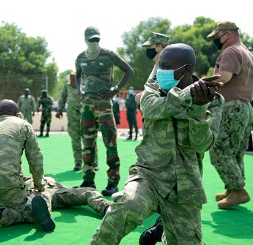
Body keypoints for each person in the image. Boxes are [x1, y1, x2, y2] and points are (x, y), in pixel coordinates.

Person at [68, 43, 224, 245]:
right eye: (160, 64)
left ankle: (166, 228)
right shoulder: (154, 89)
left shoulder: (212, 100)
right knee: (127, 203)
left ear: (187, 69)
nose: (159, 70)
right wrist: (186, 96)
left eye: (165, 66)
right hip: (149, 174)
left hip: (184, 184)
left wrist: (198, 109)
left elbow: (202, 144)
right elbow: (152, 109)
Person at [0, 100, 111, 237]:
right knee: (28, 212)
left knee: (24, 199)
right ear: (18, 115)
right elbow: (36, 160)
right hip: (24, 186)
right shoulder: (23, 124)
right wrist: (106, 207)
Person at [75, 26, 133, 196]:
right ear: (85, 39)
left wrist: (115, 89)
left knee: (110, 143)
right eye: (91, 39)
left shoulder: (108, 55)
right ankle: (88, 180)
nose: (94, 42)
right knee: (87, 142)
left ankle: (113, 182)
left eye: (97, 39)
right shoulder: (79, 58)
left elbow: (129, 70)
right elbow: (78, 75)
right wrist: (79, 90)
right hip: (87, 106)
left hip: (104, 105)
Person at [206, 21, 253, 209]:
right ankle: (232, 189)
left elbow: (224, 78)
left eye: (216, 37)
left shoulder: (229, 52)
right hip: (244, 107)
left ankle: (238, 190)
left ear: (226, 34)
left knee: (218, 148)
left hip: (231, 108)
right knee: (235, 152)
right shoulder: (247, 53)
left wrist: (201, 83)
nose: (216, 41)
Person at [56, 73, 84, 171]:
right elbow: (62, 97)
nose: (71, 81)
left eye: (73, 79)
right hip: (72, 115)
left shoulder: (85, 85)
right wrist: (59, 109)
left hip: (85, 114)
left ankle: (93, 162)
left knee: (89, 138)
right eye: (70, 79)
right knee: (75, 139)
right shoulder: (67, 86)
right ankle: (78, 162)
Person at [135, 32, 170, 105]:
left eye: (149, 47)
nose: (147, 50)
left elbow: (160, 92)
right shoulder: (157, 65)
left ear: (159, 47)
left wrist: (140, 97)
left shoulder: (165, 66)